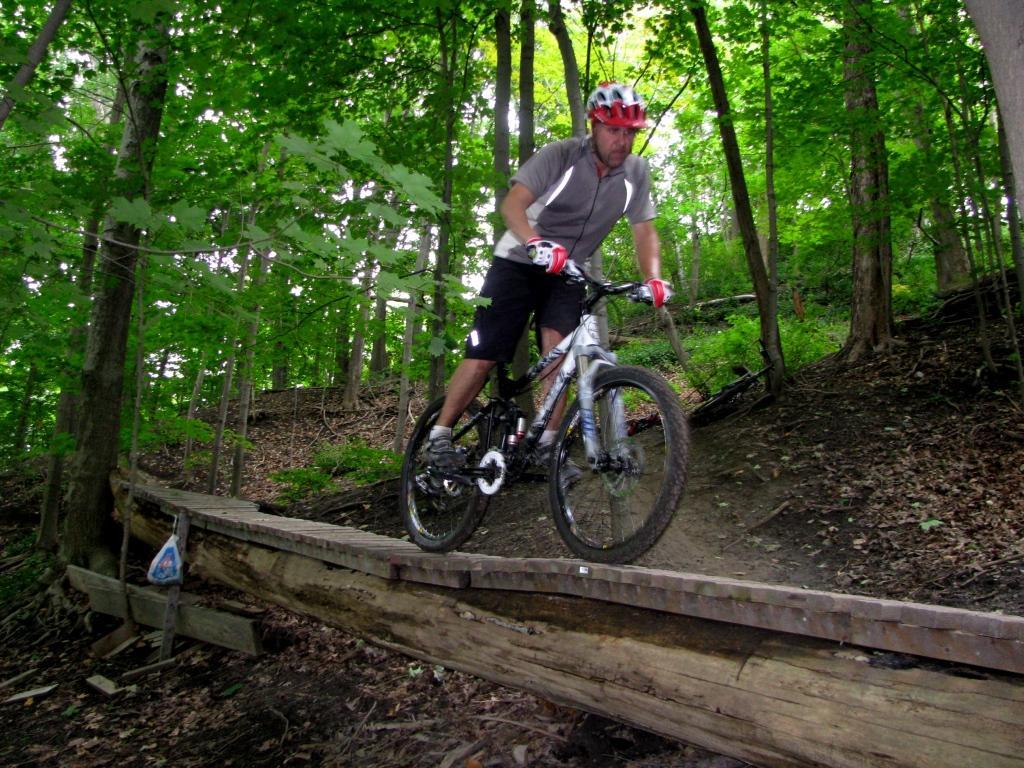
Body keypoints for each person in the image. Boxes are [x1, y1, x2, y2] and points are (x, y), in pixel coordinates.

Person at [426, 82, 671, 469]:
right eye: (613, 130)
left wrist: (653, 277)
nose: (622, 141)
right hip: (518, 261)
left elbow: (644, 230)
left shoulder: (635, 173)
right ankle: (439, 436)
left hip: (568, 272)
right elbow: (512, 205)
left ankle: (548, 448)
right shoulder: (562, 155)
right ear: (594, 125)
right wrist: (535, 243)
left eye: (629, 132)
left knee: (559, 356)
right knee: (485, 355)